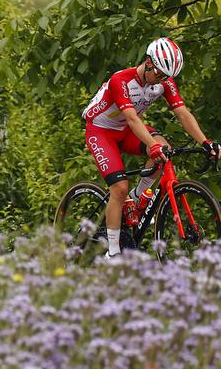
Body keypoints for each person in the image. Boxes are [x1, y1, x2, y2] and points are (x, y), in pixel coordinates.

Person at [82, 37, 218, 259]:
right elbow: (132, 118)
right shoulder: (121, 80)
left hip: (126, 130)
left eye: (166, 77)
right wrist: (151, 145)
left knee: (164, 150)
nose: (162, 80)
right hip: (101, 131)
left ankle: (137, 197)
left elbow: (183, 113)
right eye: (159, 74)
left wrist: (205, 142)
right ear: (148, 62)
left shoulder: (163, 82)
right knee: (119, 188)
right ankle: (113, 254)